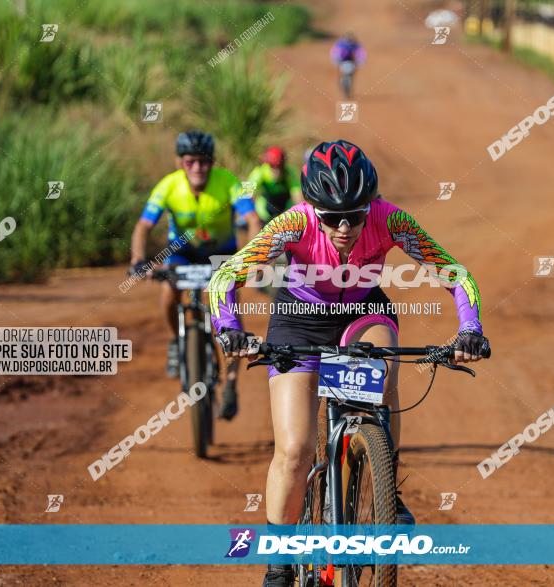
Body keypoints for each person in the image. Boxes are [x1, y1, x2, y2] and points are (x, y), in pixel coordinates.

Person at [207, 140, 489, 586]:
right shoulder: (292, 223)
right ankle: (279, 565)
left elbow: (454, 273)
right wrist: (229, 328)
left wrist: (469, 328)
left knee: (383, 370)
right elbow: (227, 275)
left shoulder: (391, 219)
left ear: (370, 206)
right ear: (311, 208)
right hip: (299, 319)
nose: (343, 228)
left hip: (363, 312)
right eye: (331, 217)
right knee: (295, 450)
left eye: (354, 216)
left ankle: (386, 494)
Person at [129, 130, 261, 420]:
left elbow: (252, 219)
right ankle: (177, 343)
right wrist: (139, 260)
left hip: (222, 254)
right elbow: (143, 226)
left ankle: (231, 385)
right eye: (191, 162)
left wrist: (251, 258)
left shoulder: (228, 182)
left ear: (212, 162)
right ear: (179, 163)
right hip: (182, 252)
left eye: (203, 162)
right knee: (168, 292)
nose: (198, 168)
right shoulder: (168, 186)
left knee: (230, 317)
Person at [244, 146, 303, 226]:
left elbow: (298, 197)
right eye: (272, 166)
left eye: (279, 166)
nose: (276, 171)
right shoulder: (259, 172)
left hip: (285, 210)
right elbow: (246, 194)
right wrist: (252, 216)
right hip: (265, 210)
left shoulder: (289, 173)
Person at [330, 32, 366, 99]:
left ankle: (348, 89)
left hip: (352, 62)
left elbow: (361, 53)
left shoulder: (355, 45)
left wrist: (360, 61)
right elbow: (335, 52)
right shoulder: (341, 44)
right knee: (342, 75)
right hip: (342, 62)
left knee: (351, 76)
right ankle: (343, 86)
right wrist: (335, 59)